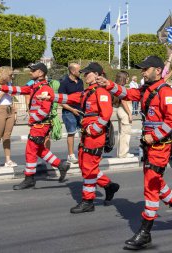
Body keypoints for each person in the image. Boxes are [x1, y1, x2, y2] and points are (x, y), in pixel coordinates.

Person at [101, 56, 172, 250]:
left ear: (158, 70)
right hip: (149, 144)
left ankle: (145, 232)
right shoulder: (146, 90)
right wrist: (108, 84)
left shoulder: (166, 92)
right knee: (156, 182)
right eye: (142, 69)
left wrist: (155, 136)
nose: (143, 72)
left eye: (146, 69)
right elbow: (126, 93)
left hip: (159, 146)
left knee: (150, 187)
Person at [50, 62, 120, 213]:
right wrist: (49, 96)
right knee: (83, 164)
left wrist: (93, 129)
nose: (84, 75)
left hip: (95, 136)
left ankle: (88, 201)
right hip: (87, 135)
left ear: (97, 75)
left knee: (88, 168)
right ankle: (109, 185)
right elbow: (69, 98)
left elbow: (106, 115)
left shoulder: (101, 92)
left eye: (88, 73)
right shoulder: (88, 91)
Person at [0, 62, 70, 189]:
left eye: (33, 70)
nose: (30, 72)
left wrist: (32, 120)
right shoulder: (35, 87)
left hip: (40, 125)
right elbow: (20, 90)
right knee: (39, 150)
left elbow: (44, 110)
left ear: (40, 73)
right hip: (38, 125)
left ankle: (29, 178)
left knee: (30, 151)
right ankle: (61, 165)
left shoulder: (45, 89)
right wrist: (2, 87)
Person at [0, 67, 18, 169]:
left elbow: (12, 99)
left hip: (9, 109)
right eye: (10, 75)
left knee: (7, 136)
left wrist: (15, 112)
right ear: (4, 75)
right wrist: (3, 90)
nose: (12, 77)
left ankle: (8, 160)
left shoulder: (10, 84)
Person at [58, 63, 84, 164]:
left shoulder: (81, 81)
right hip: (69, 112)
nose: (80, 72)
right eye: (79, 70)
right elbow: (60, 101)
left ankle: (83, 153)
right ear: (73, 71)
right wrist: (72, 110)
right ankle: (71, 155)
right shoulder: (64, 83)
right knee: (71, 133)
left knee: (83, 132)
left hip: (80, 111)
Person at [114, 71, 134, 158]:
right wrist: (129, 113)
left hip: (120, 110)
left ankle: (120, 153)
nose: (128, 79)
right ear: (123, 78)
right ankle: (124, 154)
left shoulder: (117, 87)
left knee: (121, 133)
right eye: (127, 77)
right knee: (126, 133)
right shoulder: (123, 89)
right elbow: (123, 100)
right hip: (125, 111)